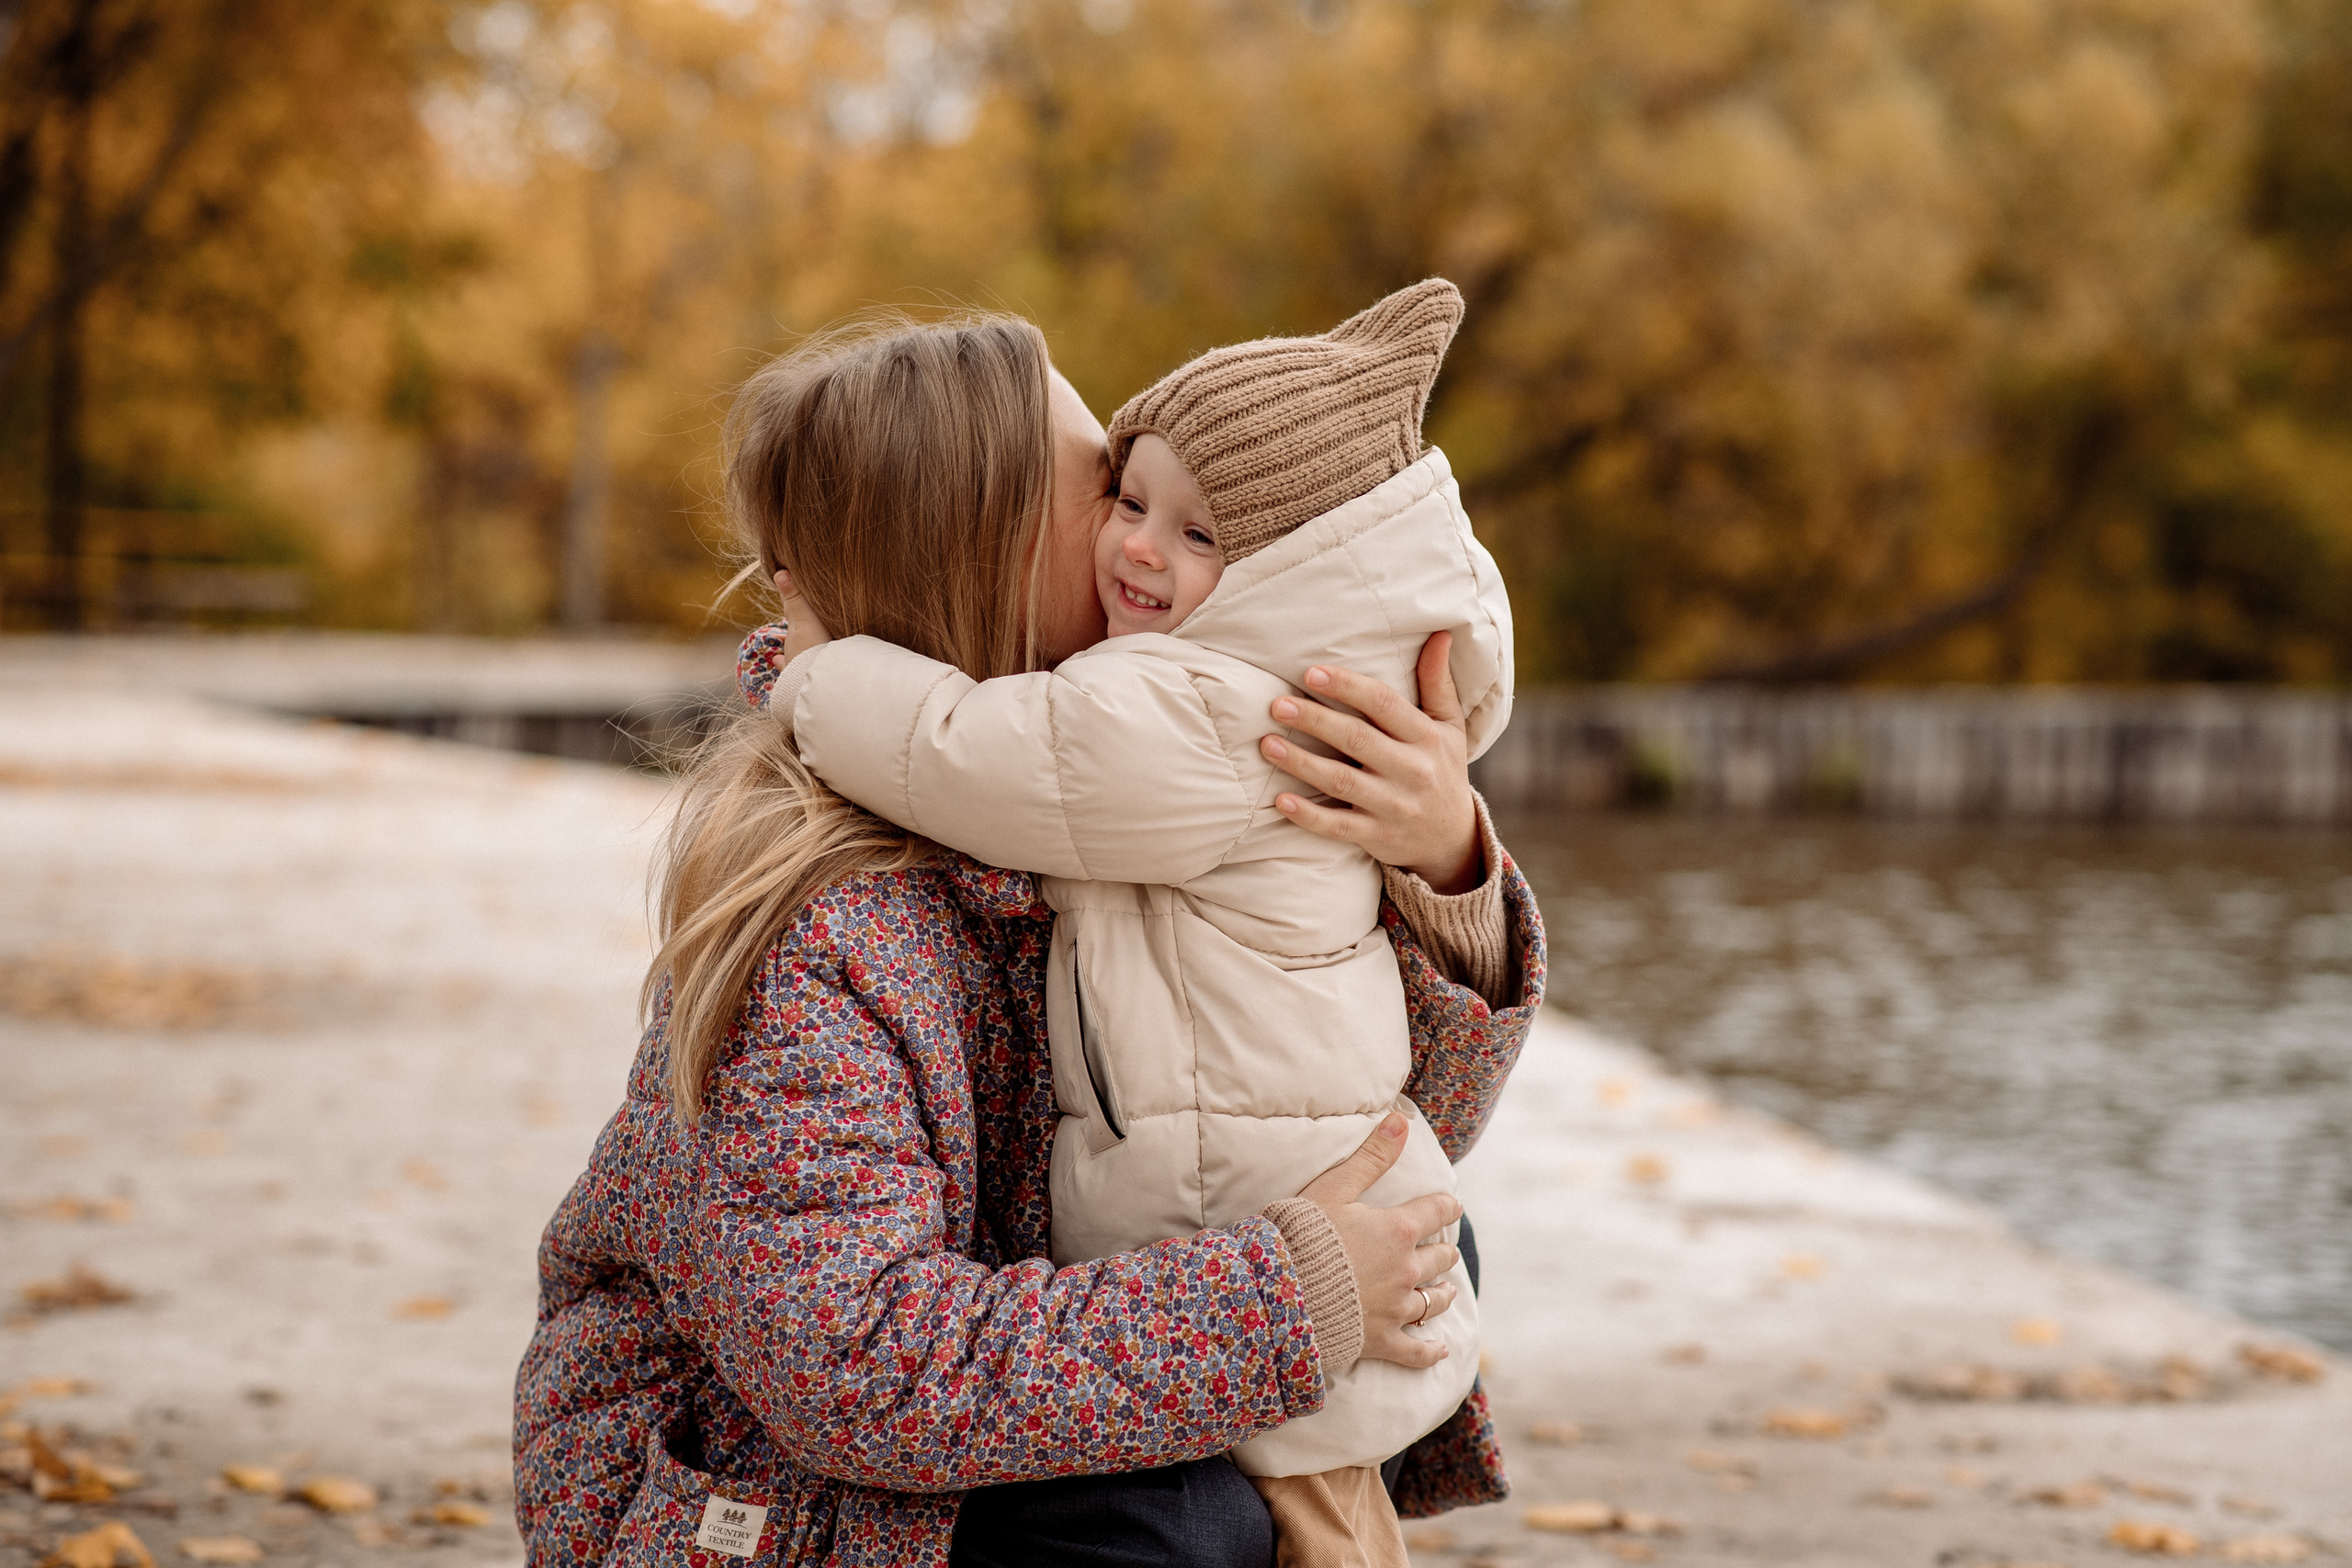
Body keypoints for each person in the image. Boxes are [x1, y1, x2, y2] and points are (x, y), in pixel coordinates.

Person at [513, 310, 1546, 1568]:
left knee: (1422, 1235)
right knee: (1180, 1509)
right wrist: (1287, 1295)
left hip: (994, 1387)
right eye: (1111, 493)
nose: (1145, 535)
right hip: (740, 1493)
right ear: (984, 563)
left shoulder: (1152, 791)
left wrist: (1438, 865)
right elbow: (852, 1367)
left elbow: (1349, 1118)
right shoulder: (827, 920)